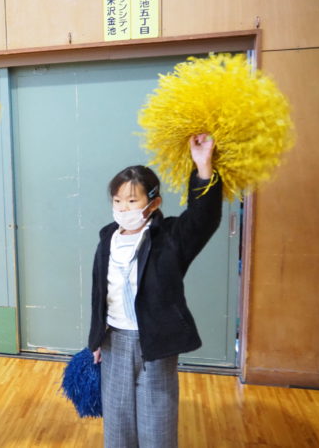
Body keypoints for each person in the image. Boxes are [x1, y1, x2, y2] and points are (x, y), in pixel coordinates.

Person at [88, 134, 221, 448]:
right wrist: (95, 339)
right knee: (117, 426)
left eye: (132, 201)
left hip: (156, 342)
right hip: (114, 340)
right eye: (117, 201)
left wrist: (203, 165)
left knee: (156, 426)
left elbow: (203, 218)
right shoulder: (107, 238)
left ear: (153, 203)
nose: (123, 207)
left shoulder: (170, 237)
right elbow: (100, 293)